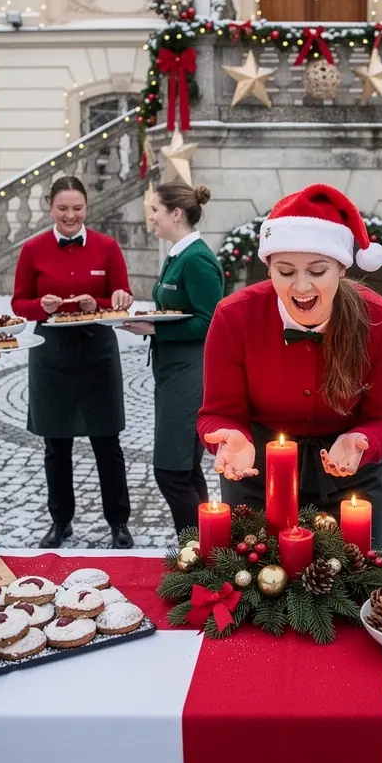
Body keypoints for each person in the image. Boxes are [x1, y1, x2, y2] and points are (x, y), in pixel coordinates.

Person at [197, 185, 382, 547]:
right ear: (267, 268)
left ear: (342, 267)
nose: (301, 286)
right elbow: (217, 413)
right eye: (285, 271)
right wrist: (229, 437)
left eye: (317, 270)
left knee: (352, 589)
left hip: (352, 477)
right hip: (257, 476)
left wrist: (364, 441)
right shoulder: (234, 316)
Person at [11, 175, 135, 549]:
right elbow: (19, 303)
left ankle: (119, 523)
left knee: (107, 443)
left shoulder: (107, 247)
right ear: (50, 208)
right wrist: (40, 306)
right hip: (51, 353)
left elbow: (122, 296)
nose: (70, 215)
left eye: (77, 208)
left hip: (97, 350)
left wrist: (96, 303)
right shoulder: (32, 249)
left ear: (86, 208)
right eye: (63, 208)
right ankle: (60, 521)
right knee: (56, 444)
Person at [122, 182, 224, 535]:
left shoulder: (197, 260)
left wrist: (154, 330)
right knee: (187, 470)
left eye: (155, 210)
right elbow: (180, 310)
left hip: (190, 376)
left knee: (172, 472)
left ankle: (198, 549)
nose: (151, 218)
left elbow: (209, 322)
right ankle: (206, 549)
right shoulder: (178, 254)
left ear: (176, 213)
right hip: (173, 374)